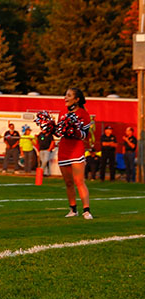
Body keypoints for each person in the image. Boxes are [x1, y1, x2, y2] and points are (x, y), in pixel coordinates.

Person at [35, 87, 92, 219]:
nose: (65, 98)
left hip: (76, 150)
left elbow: (84, 135)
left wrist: (74, 130)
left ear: (77, 99)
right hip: (64, 150)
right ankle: (73, 209)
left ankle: (86, 210)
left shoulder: (84, 114)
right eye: (65, 95)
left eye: (69, 95)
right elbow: (60, 133)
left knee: (79, 181)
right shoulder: (63, 113)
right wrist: (50, 127)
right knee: (68, 182)